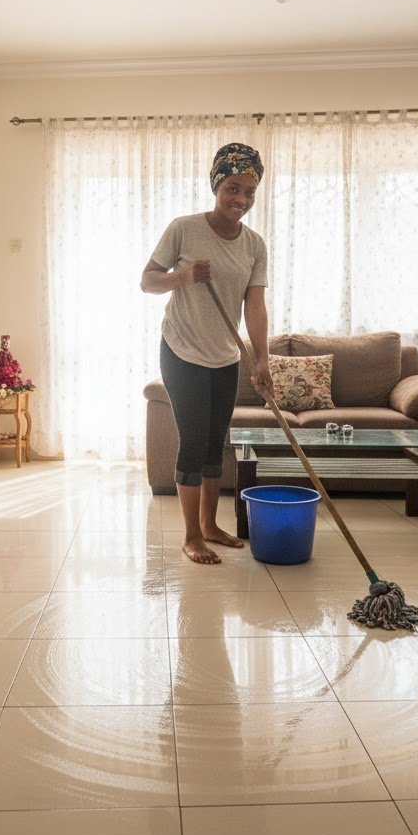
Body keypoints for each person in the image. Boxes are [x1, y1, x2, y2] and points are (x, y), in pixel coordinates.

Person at [140, 142, 272, 564]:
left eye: (250, 192)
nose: (241, 200)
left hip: (225, 356)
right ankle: (191, 535)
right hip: (181, 350)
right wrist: (183, 276)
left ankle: (212, 525)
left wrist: (264, 358)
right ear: (217, 185)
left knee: (217, 443)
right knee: (194, 442)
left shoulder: (254, 245)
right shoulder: (184, 228)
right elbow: (147, 280)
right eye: (234, 188)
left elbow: (254, 305)